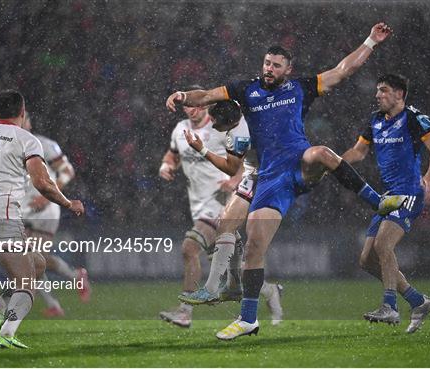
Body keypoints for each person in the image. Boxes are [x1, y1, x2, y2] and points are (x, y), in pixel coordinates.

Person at [165, 23, 405, 340]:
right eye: (267, 63)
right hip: (270, 177)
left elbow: (342, 70)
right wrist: (183, 95)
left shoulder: (300, 88)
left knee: (320, 153)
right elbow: (206, 95)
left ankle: (378, 202)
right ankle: (247, 317)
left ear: (287, 70)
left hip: (299, 164)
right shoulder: (245, 91)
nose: (269, 69)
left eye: (276, 65)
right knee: (253, 244)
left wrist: (371, 41)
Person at [0, 90, 84, 348]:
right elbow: (42, 182)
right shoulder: (26, 139)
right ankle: (7, 332)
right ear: (22, 112)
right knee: (27, 281)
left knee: (36, 263)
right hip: (2, 216)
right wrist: (69, 203)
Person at [341, 74, 430, 333]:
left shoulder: (412, 117)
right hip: (388, 196)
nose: (378, 95)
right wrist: (333, 162)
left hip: (410, 191)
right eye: (377, 90)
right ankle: (417, 301)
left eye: (384, 91)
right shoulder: (375, 120)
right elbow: (358, 152)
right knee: (366, 260)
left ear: (399, 94)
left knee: (383, 244)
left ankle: (390, 307)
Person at [178, 100, 283, 325]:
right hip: (259, 173)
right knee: (226, 225)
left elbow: (230, 167)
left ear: (228, 121)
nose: (213, 125)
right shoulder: (243, 110)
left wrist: (202, 149)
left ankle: (212, 289)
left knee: (236, 234)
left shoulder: (237, 134)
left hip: (265, 176)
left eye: (216, 122)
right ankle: (233, 286)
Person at [158, 86, 241, 328]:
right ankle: (269, 291)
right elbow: (172, 154)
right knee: (227, 271)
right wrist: (166, 166)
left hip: (220, 204)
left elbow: (242, 159)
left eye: (196, 104)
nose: (192, 109)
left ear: (204, 104)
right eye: (187, 106)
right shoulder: (180, 129)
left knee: (189, 247)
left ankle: (185, 313)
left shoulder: (218, 128)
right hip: (198, 206)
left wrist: (234, 181)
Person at [21, 112, 91, 318]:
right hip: (25, 209)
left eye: (24, 118)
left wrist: (48, 197)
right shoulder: (11, 148)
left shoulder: (44, 145)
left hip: (46, 209)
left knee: (32, 258)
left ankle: (57, 299)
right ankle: (71, 281)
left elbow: (67, 171)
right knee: (32, 258)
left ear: (29, 122)